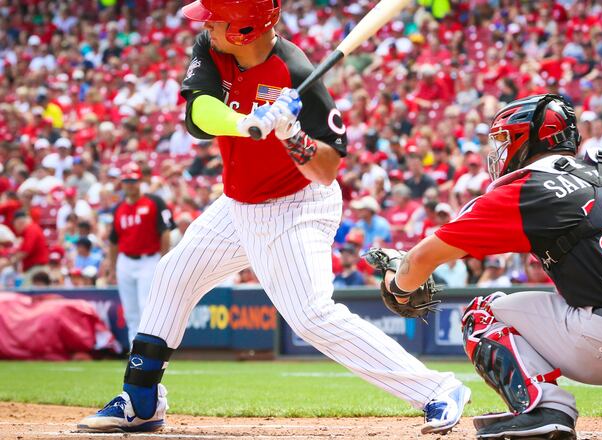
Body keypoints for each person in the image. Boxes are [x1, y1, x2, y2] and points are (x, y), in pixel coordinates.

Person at [79, 0, 468, 434]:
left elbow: (326, 169)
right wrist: (247, 122)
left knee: (311, 316)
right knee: (173, 274)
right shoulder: (211, 47)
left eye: (217, 19)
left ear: (245, 30)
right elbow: (197, 115)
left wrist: (292, 135)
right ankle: (141, 398)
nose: (206, 24)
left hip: (295, 205)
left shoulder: (297, 74)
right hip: (237, 204)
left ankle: (437, 389)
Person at [376, 95, 602, 439]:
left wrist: (398, 285)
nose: (498, 150)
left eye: (503, 140)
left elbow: (421, 259)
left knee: (482, 313)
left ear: (524, 140)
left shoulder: (523, 190)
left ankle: (544, 408)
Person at [107, 163, 174, 348]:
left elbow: (165, 232)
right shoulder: (118, 208)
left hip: (149, 259)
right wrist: (112, 268)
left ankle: (148, 351)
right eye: (127, 181)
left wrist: (163, 260)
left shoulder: (154, 202)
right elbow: (113, 240)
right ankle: (134, 351)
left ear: (141, 181)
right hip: (125, 261)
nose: (130, 185)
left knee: (147, 307)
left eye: (133, 181)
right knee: (131, 312)